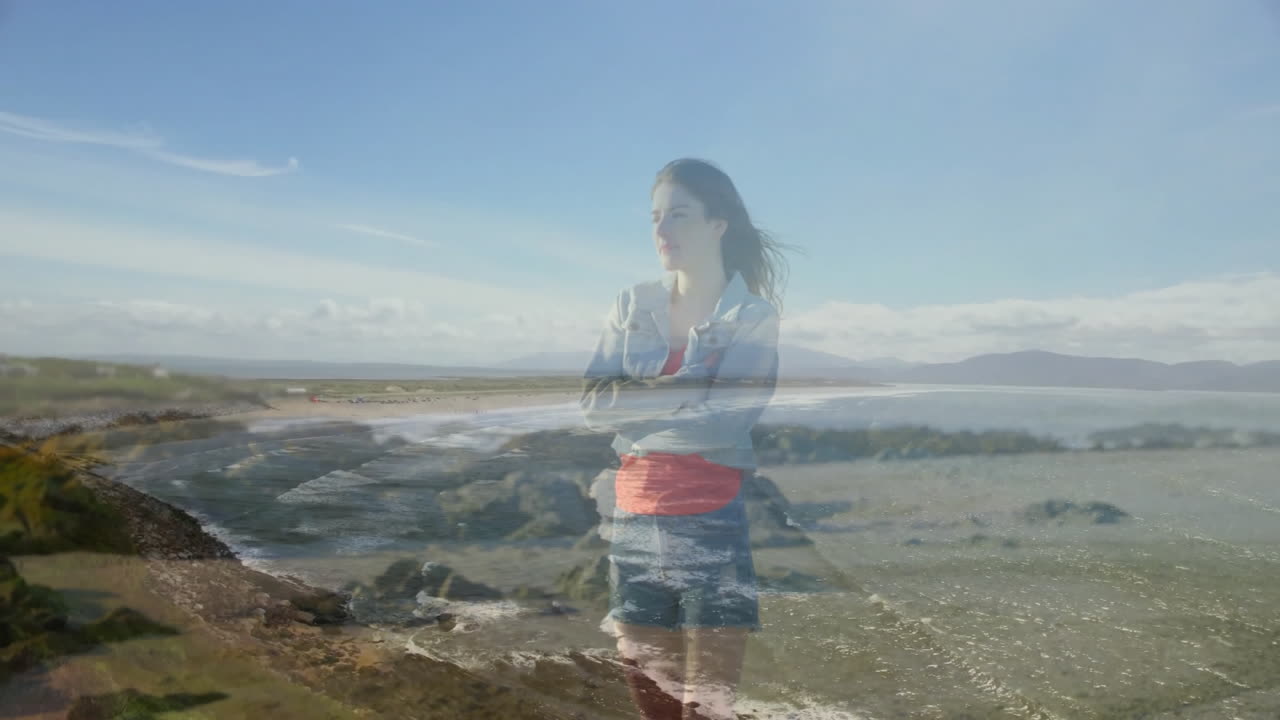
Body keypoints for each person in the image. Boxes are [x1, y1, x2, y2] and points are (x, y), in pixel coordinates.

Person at [580, 158, 792, 720]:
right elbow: (592, 407)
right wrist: (683, 389)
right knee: (656, 708)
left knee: (708, 708)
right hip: (632, 521)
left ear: (717, 224)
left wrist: (638, 412)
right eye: (655, 217)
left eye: (678, 214)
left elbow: (726, 423)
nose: (662, 230)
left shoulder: (752, 314)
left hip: (712, 521)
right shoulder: (632, 304)